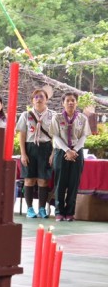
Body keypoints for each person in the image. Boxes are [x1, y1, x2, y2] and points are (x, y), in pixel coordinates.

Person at [16, 87, 56, 219]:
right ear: (32, 100)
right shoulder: (25, 115)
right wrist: (23, 153)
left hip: (46, 148)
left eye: (41, 97)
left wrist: (53, 153)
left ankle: (42, 209)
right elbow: (22, 135)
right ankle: (29, 209)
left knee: (43, 180)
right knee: (29, 179)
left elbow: (56, 136)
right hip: (30, 148)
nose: (39, 99)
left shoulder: (53, 115)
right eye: (36, 97)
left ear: (46, 100)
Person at [51, 91, 91, 222]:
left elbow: (83, 136)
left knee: (74, 183)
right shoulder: (57, 118)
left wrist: (74, 150)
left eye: (73, 100)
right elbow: (56, 136)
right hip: (61, 152)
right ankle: (59, 212)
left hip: (77, 152)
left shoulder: (82, 119)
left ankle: (70, 212)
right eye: (67, 100)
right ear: (63, 103)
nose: (70, 102)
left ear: (76, 102)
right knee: (60, 183)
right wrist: (67, 150)